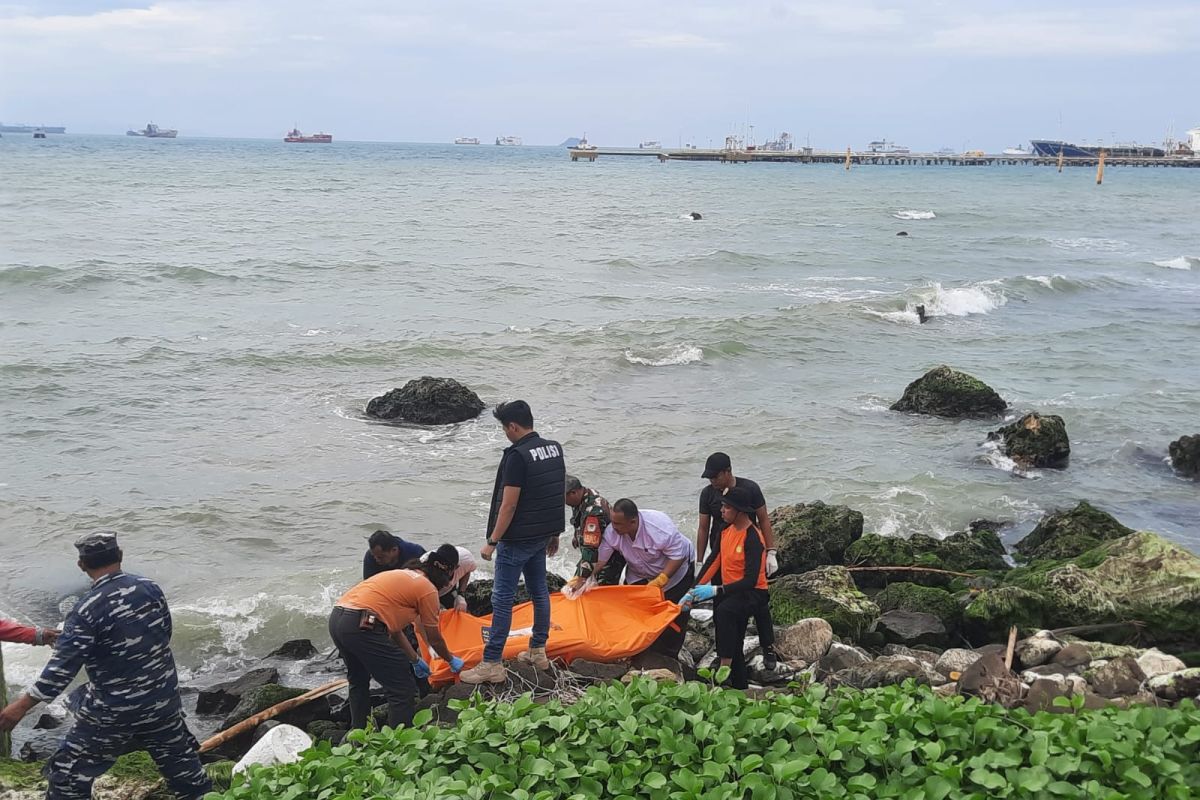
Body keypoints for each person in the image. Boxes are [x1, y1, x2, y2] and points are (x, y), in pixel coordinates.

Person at [0, 532, 211, 800]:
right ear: (120, 555)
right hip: (163, 701)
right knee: (188, 778)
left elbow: (62, 669)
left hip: (114, 712)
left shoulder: (85, 609)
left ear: (82, 565)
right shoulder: (150, 588)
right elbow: (163, 635)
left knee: (65, 776)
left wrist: (21, 706)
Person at [461, 400, 565, 684]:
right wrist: (555, 532)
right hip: (541, 535)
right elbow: (555, 492)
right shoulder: (554, 448)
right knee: (539, 592)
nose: (505, 434)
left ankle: (492, 662)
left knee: (502, 599)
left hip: (516, 539)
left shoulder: (517, 456)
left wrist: (493, 541)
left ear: (513, 426)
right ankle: (537, 650)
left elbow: (508, 506)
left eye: (505, 429)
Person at [330, 544, 465, 730]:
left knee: (358, 680)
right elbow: (434, 638)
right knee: (401, 689)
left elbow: (394, 631)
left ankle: (357, 735)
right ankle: (397, 743)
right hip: (362, 624)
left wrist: (415, 659)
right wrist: (451, 660)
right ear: (445, 574)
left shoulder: (403, 575)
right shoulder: (427, 590)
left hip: (338, 618)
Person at [697, 452, 780, 669]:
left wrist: (770, 551)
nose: (712, 481)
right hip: (723, 548)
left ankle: (768, 647)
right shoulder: (708, 495)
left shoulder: (749, 490)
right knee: (721, 608)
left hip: (748, 550)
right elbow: (704, 527)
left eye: (715, 477)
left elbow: (763, 518)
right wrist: (699, 563)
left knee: (759, 604)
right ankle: (725, 651)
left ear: (727, 472)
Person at [686, 486, 770, 690]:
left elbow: (750, 580)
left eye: (726, 507)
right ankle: (740, 685)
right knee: (734, 633)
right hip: (730, 591)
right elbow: (714, 561)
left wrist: (716, 590)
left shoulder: (753, 537)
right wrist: (693, 591)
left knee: (725, 613)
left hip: (753, 593)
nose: (721, 511)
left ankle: (723, 667)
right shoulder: (725, 531)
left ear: (739, 510)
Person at [589, 498, 695, 656]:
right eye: (613, 522)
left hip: (675, 572)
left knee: (672, 614)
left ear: (632, 522)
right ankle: (636, 648)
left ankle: (668, 657)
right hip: (639, 570)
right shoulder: (613, 532)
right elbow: (600, 560)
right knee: (631, 607)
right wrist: (583, 577)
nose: (613, 527)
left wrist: (661, 580)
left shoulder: (659, 528)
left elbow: (677, 556)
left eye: (618, 524)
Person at [563, 475, 624, 590]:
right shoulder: (583, 496)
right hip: (596, 551)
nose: (563, 502)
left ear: (573, 493)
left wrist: (580, 579)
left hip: (607, 558)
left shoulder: (594, 513)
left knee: (601, 593)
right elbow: (579, 520)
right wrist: (577, 536)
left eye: (563, 497)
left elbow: (590, 550)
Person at [421, 545, 476, 611]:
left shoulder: (466, 560)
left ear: (456, 568)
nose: (441, 574)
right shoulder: (423, 568)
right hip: (425, 593)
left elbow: (467, 570)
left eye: (445, 573)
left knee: (457, 611)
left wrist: (461, 594)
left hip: (448, 589)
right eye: (439, 572)